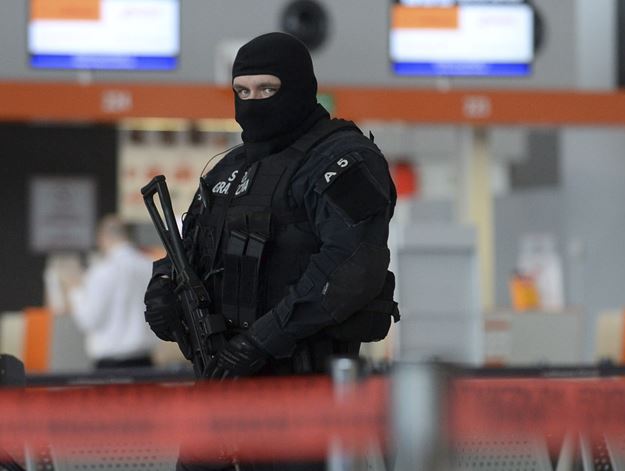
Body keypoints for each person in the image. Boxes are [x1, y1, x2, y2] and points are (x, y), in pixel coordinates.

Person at [143, 32, 398, 468]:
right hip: (219, 387)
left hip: (304, 397)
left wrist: (262, 340)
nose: (253, 101)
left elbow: (353, 265)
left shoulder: (341, 160)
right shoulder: (229, 170)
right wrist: (162, 293)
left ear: (299, 88)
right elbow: (188, 250)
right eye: (242, 91)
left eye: (267, 89)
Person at [66, 215, 159, 369]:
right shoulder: (149, 266)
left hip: (110, 367)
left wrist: (75, 290)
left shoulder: (102, 271)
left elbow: (89, 319)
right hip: (145, 362)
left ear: (103, 238)